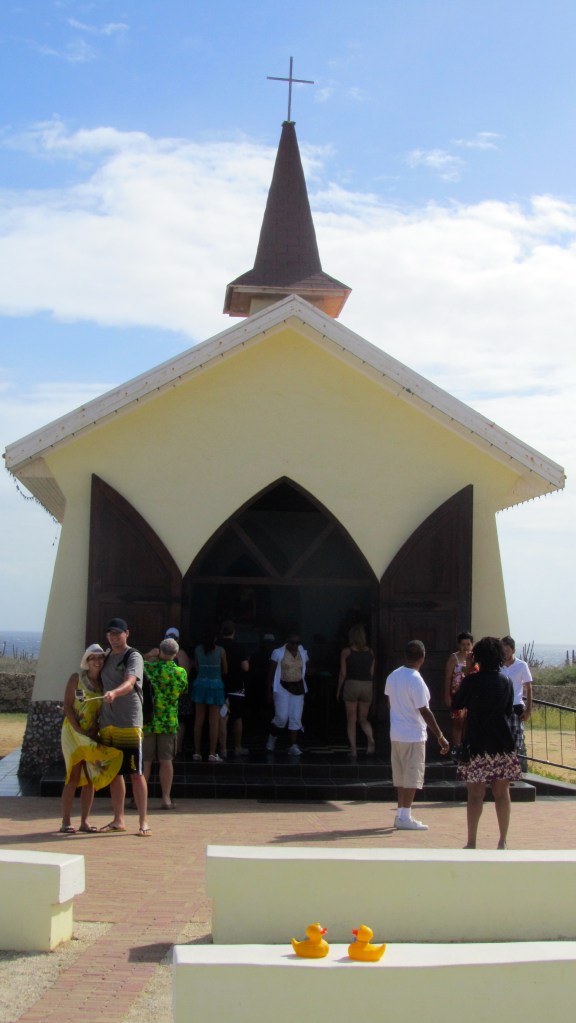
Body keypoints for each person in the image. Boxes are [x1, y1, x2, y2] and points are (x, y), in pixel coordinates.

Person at [453, 636, 522, 850]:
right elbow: (509, 710)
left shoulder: (471, 681)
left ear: (477, 657)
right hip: (502, 742)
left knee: (475, 795)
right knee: (502, 793)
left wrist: (466, 673)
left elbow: (457, 704)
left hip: (476, 741)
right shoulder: (506, 681)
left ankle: (471, 841)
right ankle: (503, 841)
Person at [385, 639, 450, 830]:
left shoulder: (393, 676)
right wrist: (440, 735)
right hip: (413, 734)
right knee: (412, 777)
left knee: (401, 776)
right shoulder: (416, 679)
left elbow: (389, 703)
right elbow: (425, 710)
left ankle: (401, 814)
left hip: (396, 733)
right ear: (422, 658)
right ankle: (405, 816)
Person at [59, 643, 123, 834]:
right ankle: (65, 821)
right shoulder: (76, 678)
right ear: (87, 660)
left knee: (90, 779)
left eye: (100, 657)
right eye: (93, 658)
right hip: (73, 733)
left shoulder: (105, 683)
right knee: (73, 775)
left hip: (92, 734)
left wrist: (94, 729)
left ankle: (84, 821)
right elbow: (68, 706)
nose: (97, 661)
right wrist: (78, 728)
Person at [99, 617, 151, 836]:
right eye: (110, 634)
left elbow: (131, 682)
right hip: (108, 722)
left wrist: (115, 693)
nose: (114, 637)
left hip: (129, 722)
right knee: (114, 773)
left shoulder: (134, 655)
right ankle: (118, 819)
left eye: (118, 633)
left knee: (135, 773)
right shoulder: (107, 656)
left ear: (126, 633)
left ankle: (144, 822)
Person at [142, 637, 188, 808]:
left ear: (160, 651)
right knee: (166, 760)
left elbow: (134, 666)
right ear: (175, 654)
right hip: (168, 721)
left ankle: (140, 797)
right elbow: (183, 691)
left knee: (145, 762)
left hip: (148, 720)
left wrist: (148, 655)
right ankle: (166, 798)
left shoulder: (148, 668)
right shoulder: (180, 673)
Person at [266, 632, 309, 756]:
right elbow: (271, 673)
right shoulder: (278, 653)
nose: (295, 645)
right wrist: (269, 691)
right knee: (281, 717)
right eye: (292, 642)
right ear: (287, 641)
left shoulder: (302, 652)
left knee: (296, 717)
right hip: (282, 687)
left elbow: (307, 666)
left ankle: (293, 744)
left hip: (298, 687)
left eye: (297, 643)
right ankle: (272, 737)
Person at [336, 624, 375, 757]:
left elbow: (343, 673)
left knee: (351, 719)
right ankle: (370, 738)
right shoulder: (370, 652)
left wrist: (339, 690)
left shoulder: (346, 652)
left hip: (352, 684)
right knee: (363, 718)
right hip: (367, 685)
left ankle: (353, 750)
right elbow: (371, 672)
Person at [192, 625, 228, 762]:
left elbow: (196, 666)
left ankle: (197, 752)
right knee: (214, 721)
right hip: (215, 685)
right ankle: (212, 753)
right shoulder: (220, 651)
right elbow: (225, 670)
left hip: (200, 684)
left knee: (198, 720)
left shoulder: (197, 650)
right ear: (215, 638)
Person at [218, 620, 250, 757]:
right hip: (236, 686)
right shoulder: (239, 647)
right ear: (234, 632)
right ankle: (237, 747)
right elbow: (246, 667)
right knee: (237, 717)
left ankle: (223, 749)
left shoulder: (217, 647)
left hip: (221, 686)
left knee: (223, 717)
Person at [501, 635, 533, 762]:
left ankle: (511, 771)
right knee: (500, 739)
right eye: (502, 650)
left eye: (507, 650)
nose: (505, 653)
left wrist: (528, 710)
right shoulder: (498, 665)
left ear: (513, 650)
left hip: (515, 706)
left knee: (515, 740)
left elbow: (528, 687)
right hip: (501, 707)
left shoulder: (521, 665)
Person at [444, 631, 474, 750]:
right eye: (463, 644)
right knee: (458, 723)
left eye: (468, 644)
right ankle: (457, 749)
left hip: (471, 696)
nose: (465, 647)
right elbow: (447, 677)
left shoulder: (475, 658)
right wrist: (447, 696)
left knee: (469, 723)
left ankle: (467, 749)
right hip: (458, 695)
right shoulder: (454, 658)